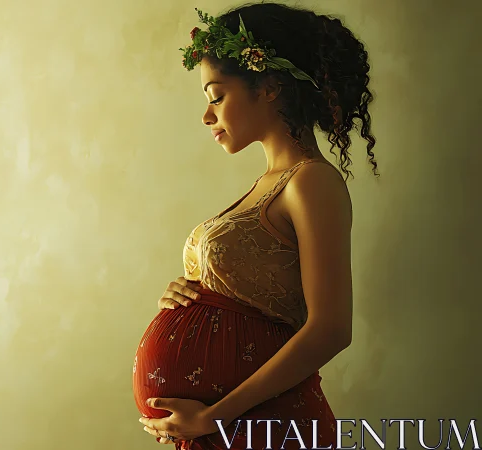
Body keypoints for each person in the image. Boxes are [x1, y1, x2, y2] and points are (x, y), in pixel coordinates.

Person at [132, 3, 378, 449]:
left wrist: (213, 418)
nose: (208, 116)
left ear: (268, 87)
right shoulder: (267, 185)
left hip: (264, 426)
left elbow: (331, 329)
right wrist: (189, 293)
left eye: (216, 96)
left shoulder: (311, 182)